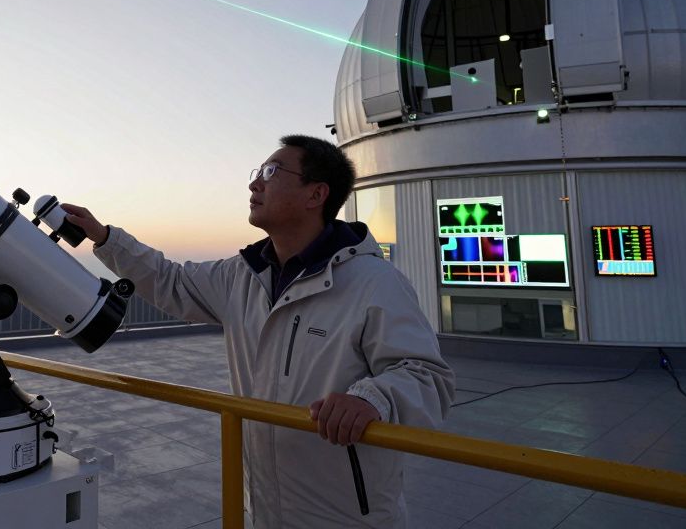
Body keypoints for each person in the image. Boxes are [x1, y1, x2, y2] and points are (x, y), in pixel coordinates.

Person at [62, 135, 454, 529]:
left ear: (316, 194)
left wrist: (372, 399)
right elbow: (171, 281)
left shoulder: (374, 282)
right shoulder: (243, 276)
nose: (255, 184)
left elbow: (428, 376)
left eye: (271, 172)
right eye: (259, 172)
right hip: (264, 509)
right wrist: (105, 238)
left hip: (347, 517)